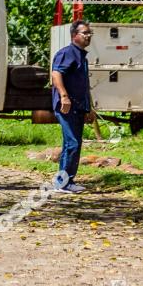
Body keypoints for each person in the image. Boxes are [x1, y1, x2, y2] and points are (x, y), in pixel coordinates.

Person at [50, 20, 95, 193]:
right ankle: (62, 182)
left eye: (90, 33)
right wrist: (64, 96)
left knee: (75, 143)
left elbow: (84, 84)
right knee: (72, 143)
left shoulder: (82, 56)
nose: (88, 36)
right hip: (66, 106)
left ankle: (68, 180)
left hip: (79, 107)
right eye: (85, 33)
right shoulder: (67, 53)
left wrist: (89, 107)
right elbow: (56, 74)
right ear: (74, 35)